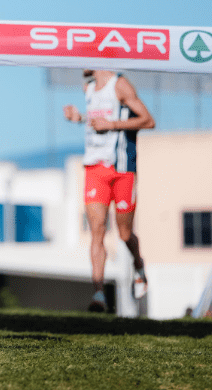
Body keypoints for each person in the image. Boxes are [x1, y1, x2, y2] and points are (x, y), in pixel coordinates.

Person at [63, 69, 155, 312]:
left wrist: (112, 125)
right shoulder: (88, 86)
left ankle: (138, 266)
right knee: (97, 230)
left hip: (122, 168)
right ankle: (99, 294)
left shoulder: (120, 84)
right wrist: (79, 118)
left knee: (124, 234)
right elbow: (97, 121)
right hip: (95, 168)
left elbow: (148, 120)